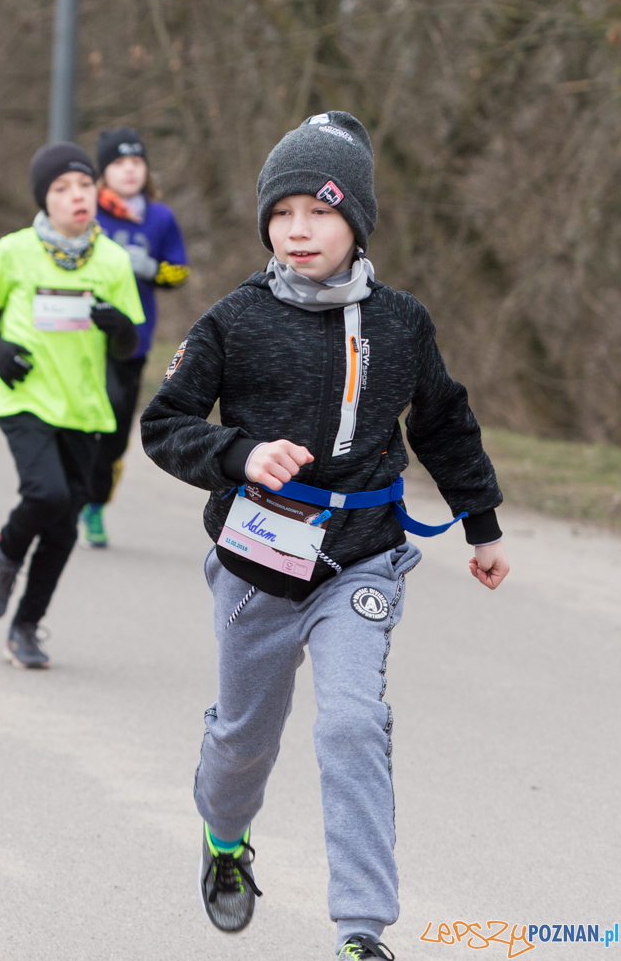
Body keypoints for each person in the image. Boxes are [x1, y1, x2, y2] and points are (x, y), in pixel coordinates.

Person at [140, 111, 510, 961]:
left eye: (320, 211)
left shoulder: (402, 322)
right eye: (282, 213)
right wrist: (240, 452)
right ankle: (224, 838)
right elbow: (165, 425)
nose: (297, 230)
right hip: (256, 563)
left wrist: (480, 524)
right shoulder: (236, 320)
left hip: (363, 556)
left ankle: (360, 929)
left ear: (359, 222)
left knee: (351, 723)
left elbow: (445, 423)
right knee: (244, 738)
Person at [0, 142, 143, 668]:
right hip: (24, 395)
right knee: (45, 494)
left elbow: (128, 343)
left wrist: (119, 330)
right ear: (44, 200)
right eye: (62, 188)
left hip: (84, 406)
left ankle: (26, 626)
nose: (77, 196)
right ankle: (6, 548)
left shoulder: (114, 260)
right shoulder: (14, 250)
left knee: (66, 523)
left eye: (85, 186)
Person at [78, 126, 190, 547]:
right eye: (119, 163)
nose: (129, 170)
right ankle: (68, 494)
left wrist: (149, 268)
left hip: (134, 341)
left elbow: (179, 272)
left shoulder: (159, 217)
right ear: (103, 172)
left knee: (114, 429)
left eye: (137, 162)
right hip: (81, 337)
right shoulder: (84, 210)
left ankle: (95, 505)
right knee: (76, 421)